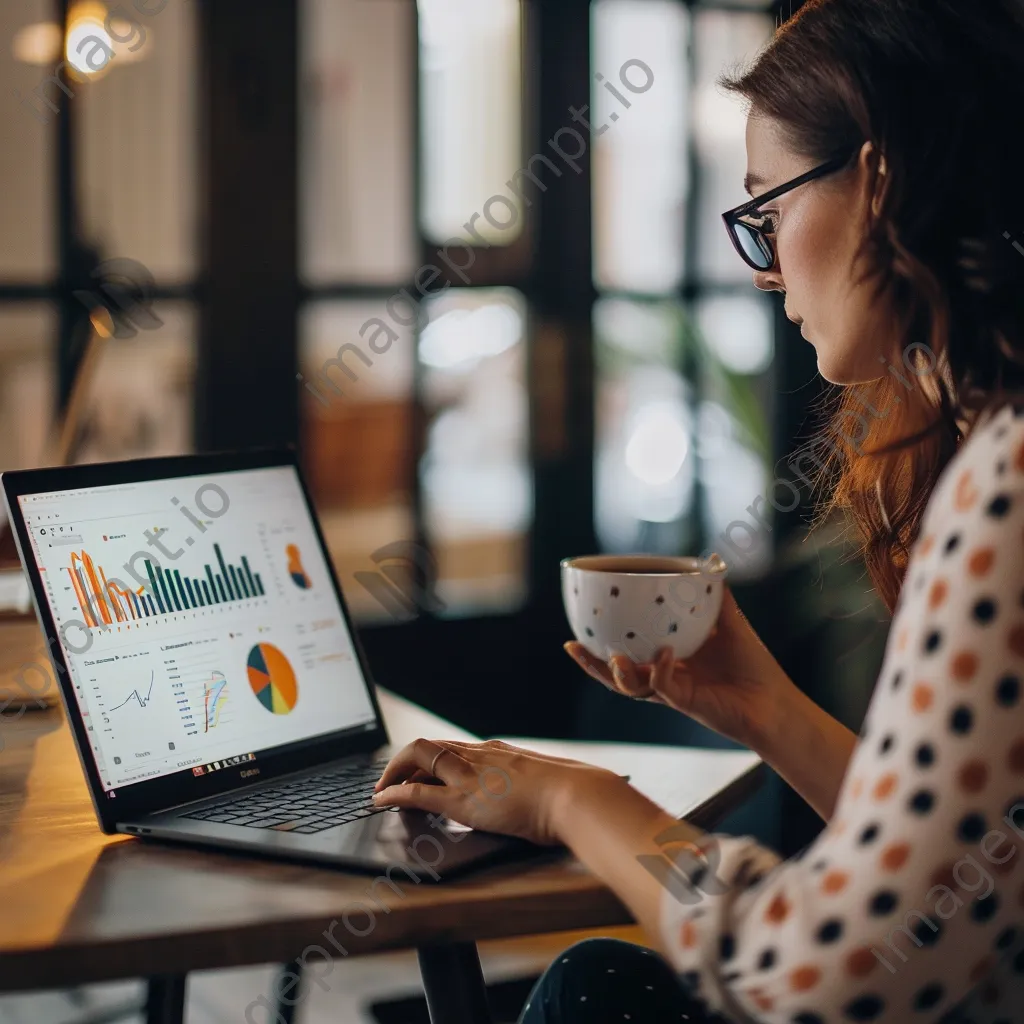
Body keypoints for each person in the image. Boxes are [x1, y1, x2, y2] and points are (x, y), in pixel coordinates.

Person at [372, 0, 1024, 1019]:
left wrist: (571, 800)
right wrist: (759, 707)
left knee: (594, 992)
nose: (763, 271)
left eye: (769, 210)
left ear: (881, 177)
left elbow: (826, 971)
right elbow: (963, 870)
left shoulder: (1004, 483)